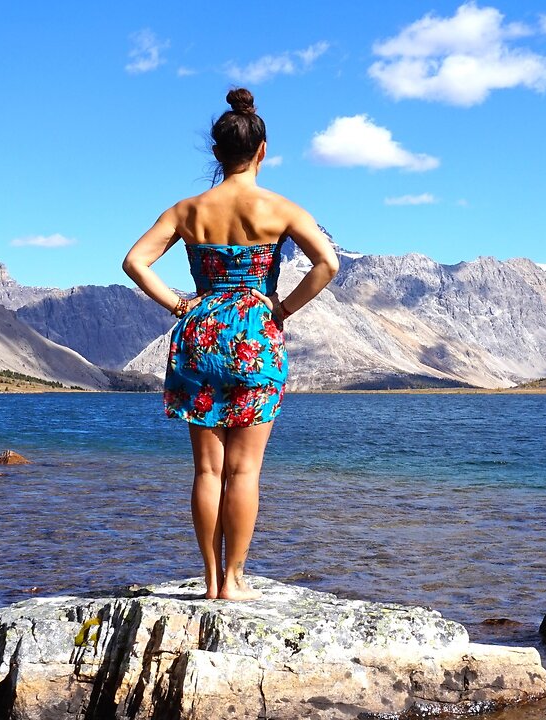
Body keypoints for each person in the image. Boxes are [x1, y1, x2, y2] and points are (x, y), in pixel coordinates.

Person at [122, 88, 339, 601]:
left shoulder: (188, 210)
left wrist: (180, 305)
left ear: (216, 154)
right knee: (243, 470)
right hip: (255, 336)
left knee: (207, 469)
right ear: (262, 151)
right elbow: (326, 264)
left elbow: (134, 262)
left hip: (200, 331)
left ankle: (210, 579)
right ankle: (236, 580)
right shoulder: (280, 209)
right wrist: (281, 309)